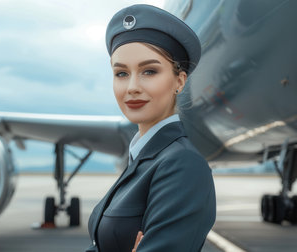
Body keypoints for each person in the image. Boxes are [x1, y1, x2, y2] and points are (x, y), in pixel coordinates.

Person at [86, 4, 216, 252]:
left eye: (149, 71)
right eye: (121, 73)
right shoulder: (142, 161)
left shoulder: (182, 165)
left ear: (179, 80)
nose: (132, 87)